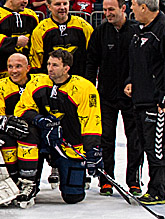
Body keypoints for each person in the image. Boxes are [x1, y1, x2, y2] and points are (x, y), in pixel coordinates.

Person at [13, 49, 102, 207]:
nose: (50, 68)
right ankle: (29, 183)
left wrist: (92, 150)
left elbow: (91, 121)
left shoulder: (84, 88)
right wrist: (39, 120)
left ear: (66, 68)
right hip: (42, 140)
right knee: (27, 133)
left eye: (55, 65)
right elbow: (22, 109)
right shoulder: (37, 83)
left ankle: (66, 173)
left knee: (73, 197)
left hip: (70, 144)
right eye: (48, 64)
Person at [127, 0, 165, 206]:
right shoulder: (141, 30)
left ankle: (157, 190)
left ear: (143, 6)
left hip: (158, 100)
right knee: (149, 141)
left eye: (133, 4)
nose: (131, 8)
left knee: (154, 144)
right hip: (142, 96)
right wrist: (130, 82)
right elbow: (138, 62)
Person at [85, 0, 143, 196]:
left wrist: (135, 84)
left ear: (123, 9)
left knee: (134, 139)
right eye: (105, 10)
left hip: (131, 97)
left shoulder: (137, 31)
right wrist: (90, 89)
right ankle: (106, 179)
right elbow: (91, 63)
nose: (108, 13)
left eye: (112, 9)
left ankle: (134, 180)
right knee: (106, 139)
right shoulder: (100, 32)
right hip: (106, 96)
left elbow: (143, 65)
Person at [0, 53, 35, 182]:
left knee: (30, 135)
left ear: (28, 68)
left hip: (32, 131)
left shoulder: (38, 82)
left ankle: (29, 181)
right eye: (10, 67)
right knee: (6, 139)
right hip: (8, 132)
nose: (14, 71)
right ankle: (11, 180)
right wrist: (5, 122)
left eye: (18, 66)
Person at [29, 0, 93, 77]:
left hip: (79, 81)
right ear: (49, 6)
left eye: (65, 4)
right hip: (50, 83)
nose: (62, 8)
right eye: (57, 4)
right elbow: (36, 60)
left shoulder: (83, 26)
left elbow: (92, 54)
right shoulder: (40, 29)